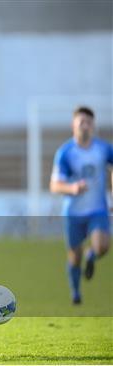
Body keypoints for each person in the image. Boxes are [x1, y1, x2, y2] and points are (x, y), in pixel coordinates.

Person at [50, 106, 112, 305]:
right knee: (74, 257)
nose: (85, 126)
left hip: (98, 209)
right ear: (73, 125)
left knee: (102, 246)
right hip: (73, 212)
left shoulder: (103, 148)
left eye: (89, 122)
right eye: (81, 122)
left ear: (93, 126)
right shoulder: (65, 153)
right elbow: (54, 185)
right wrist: (72, 188)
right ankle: (75, 292)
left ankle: (92, 254)